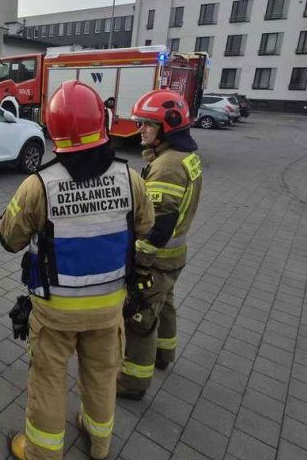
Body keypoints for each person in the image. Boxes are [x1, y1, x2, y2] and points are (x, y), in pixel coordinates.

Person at [0, 80, 154, 460]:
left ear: (54, 133)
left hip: (55, 313)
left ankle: (41, 452)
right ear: (102, 122)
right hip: (109, 306)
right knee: (101, 377)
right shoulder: (131, 178)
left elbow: (9, 239)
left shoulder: (38, 186)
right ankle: (99, 444)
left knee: (49, 381)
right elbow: (147, 226)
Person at [117, 89, 203, 401]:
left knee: (141, 318)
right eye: (140, 123)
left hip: (157, 259)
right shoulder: (187, 157)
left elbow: (159, 226)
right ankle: (164, 356)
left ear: (167, 127)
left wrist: (138, 262)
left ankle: (132, 383)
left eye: (147, 124)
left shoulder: (167, 166)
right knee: (165, 304)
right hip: (175, 258)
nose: (140, 129)